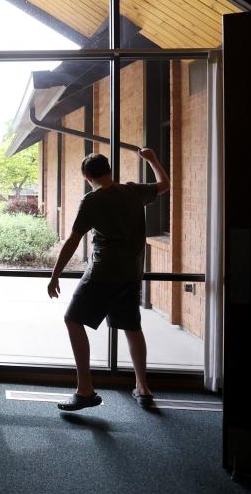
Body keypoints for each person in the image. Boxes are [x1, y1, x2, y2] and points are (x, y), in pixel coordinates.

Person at [47, 149, 170, 411]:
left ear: (87, 176)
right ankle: (143, 387)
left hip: (103, 273)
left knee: (72, 320)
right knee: (132, 328)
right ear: (110, 171)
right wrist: (151, 159)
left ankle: (85, 390)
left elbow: (72, 240)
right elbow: (165, 185)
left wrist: (55, 274)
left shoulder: (92, 200)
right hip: (130, 275)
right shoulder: (133, 191)